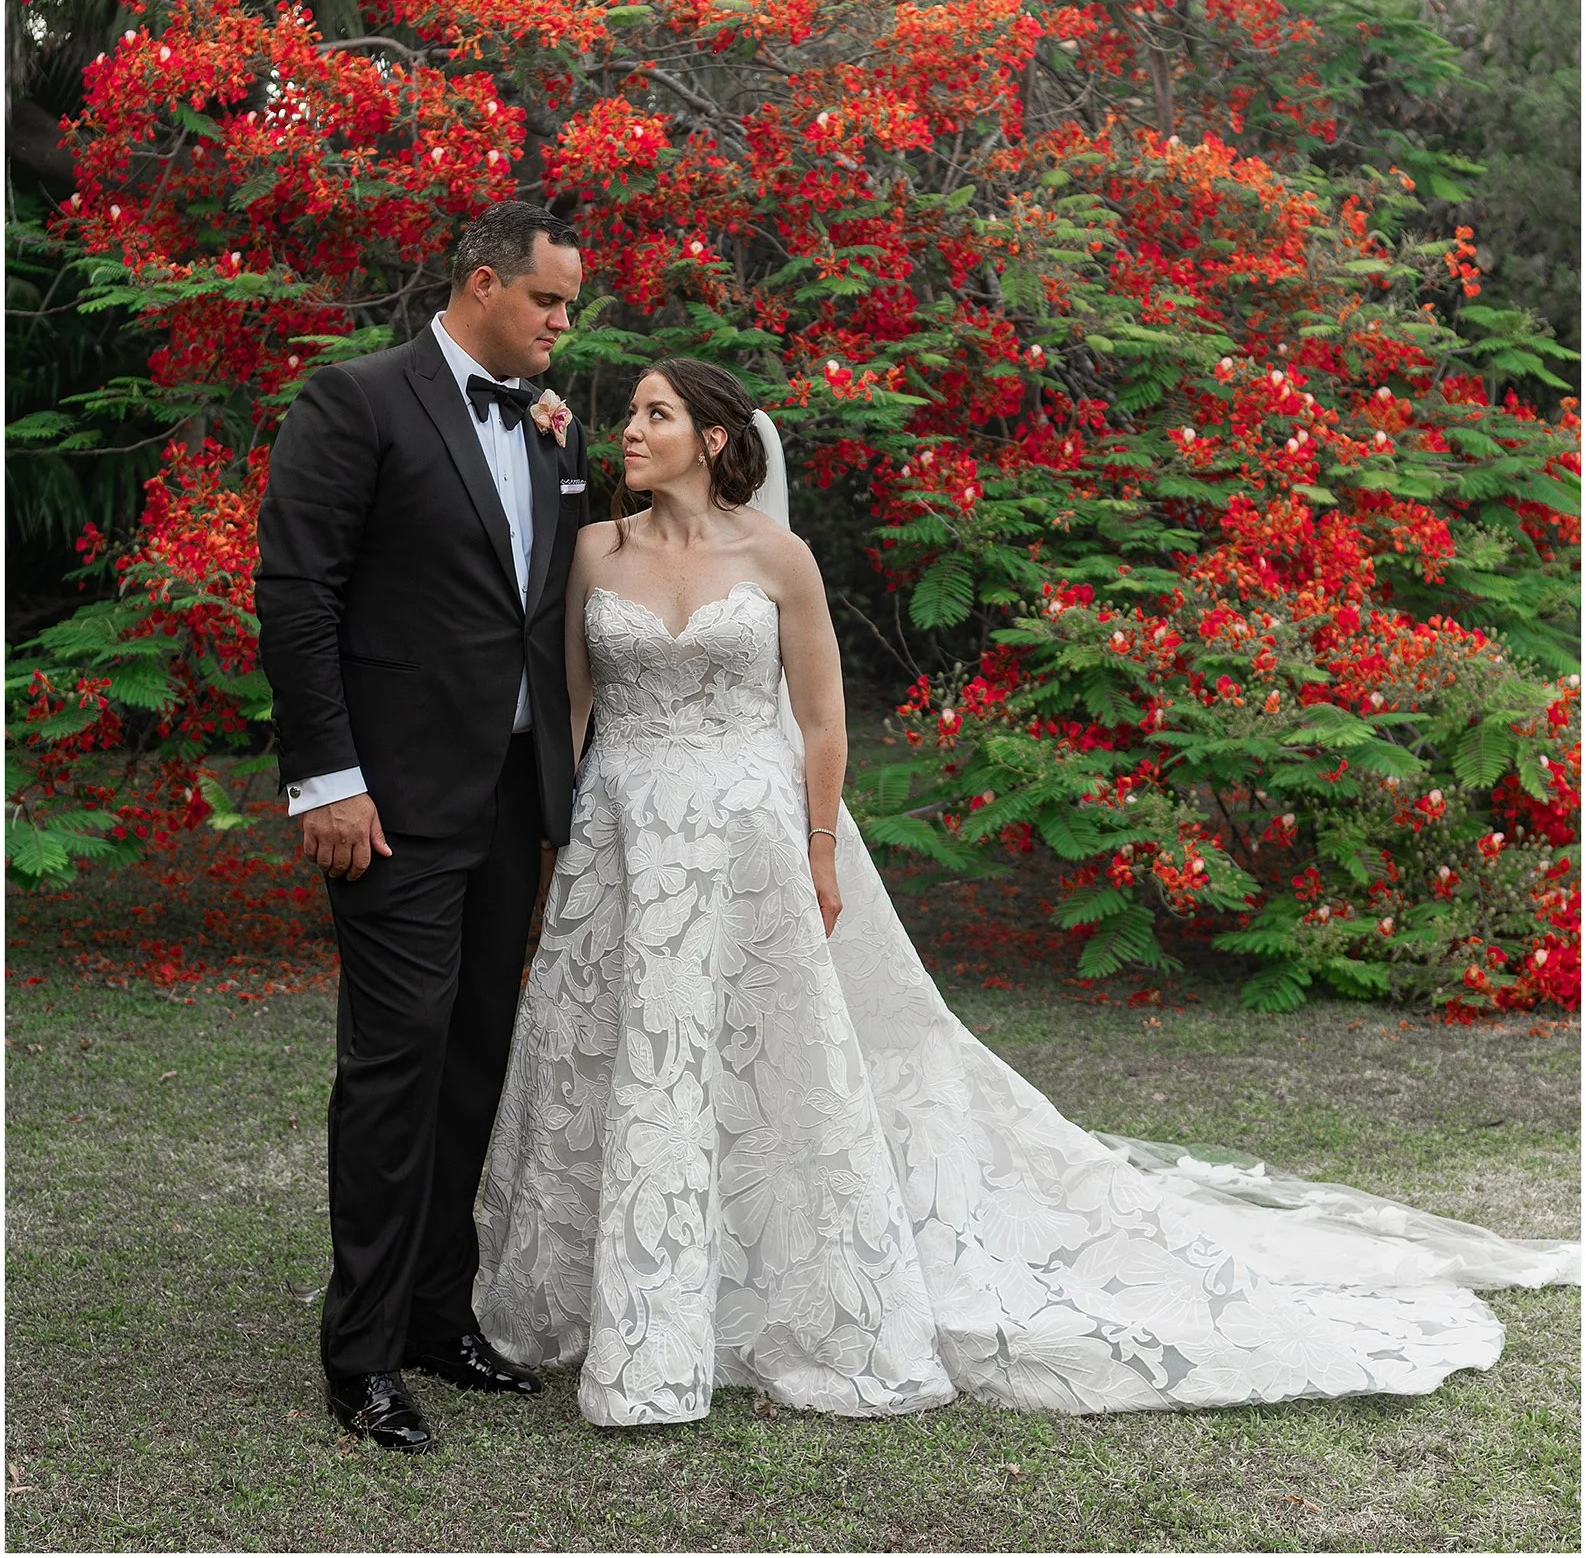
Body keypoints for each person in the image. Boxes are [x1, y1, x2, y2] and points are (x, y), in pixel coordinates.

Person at [474, 358, 1579, 1428]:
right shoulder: (592, 553)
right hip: (626, 835)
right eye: (628, 413)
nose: (631, 428)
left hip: (751, 842)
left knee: (762, 1066)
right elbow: (574, 714)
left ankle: (764, 1294)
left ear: (709, 441)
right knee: (621, 1057)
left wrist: (817, 851)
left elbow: (819, 720)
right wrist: (561, 854)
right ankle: (616, 1303)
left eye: (655, 414)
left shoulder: (778, 558)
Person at [255, 196, 589, 1453]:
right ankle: (360, 1356)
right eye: (547, 300)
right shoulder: (357, 400)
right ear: (480, 283)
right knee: (395, 1064)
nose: (563, 323)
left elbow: (541, 606)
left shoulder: (558, 422)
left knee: (474, 1060)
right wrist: (327, 779)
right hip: (387, 802)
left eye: (568, 305)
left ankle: (439, 1318)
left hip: (513, 796)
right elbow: (296, 594)